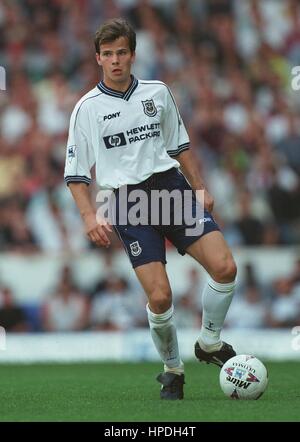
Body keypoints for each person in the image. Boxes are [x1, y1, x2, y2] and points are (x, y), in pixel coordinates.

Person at [64, 18, 237, 400]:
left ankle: (208, 343)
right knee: (160, 297)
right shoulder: (86, 109)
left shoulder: (158, 93)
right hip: (128, 201)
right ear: (97, 58)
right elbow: (76, 174)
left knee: (225, 267)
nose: (115, 60)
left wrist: (200, 187)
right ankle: (173, 370)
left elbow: (180, 146)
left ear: (133, 54)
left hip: (171, 189)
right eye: (107, 54)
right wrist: (89, 216)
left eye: (121, 52)